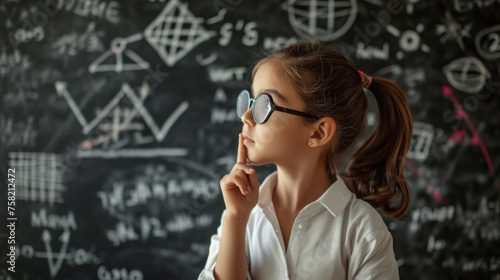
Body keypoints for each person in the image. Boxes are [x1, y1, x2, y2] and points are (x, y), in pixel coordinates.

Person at [198, 41, 413, 280]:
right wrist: (235, 219)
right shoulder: (241, 215)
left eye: (264, 105)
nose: (247, 117)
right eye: (250, 101)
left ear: (318, 133)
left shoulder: (363, 230)